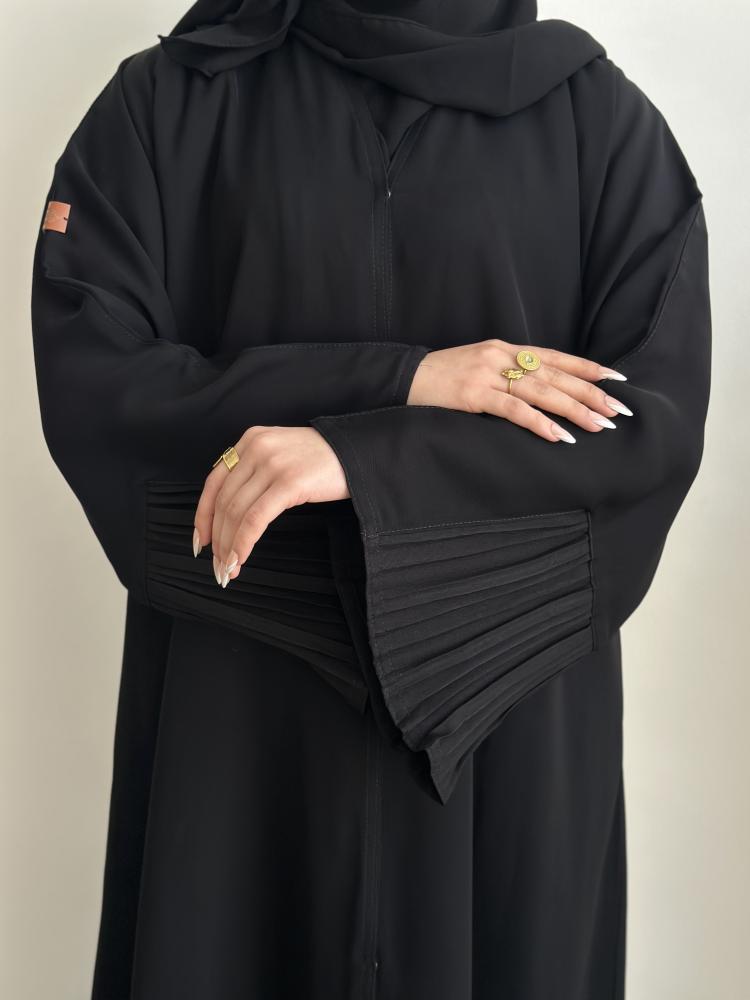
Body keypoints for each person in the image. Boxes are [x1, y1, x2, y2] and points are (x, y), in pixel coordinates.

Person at [30, 1, 711, 998]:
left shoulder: (600, 126)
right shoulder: (171, 101)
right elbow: (96, 383)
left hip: (501, 722)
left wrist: (364, 460)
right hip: (241, 715)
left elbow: (644, 434)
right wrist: (404, 380)